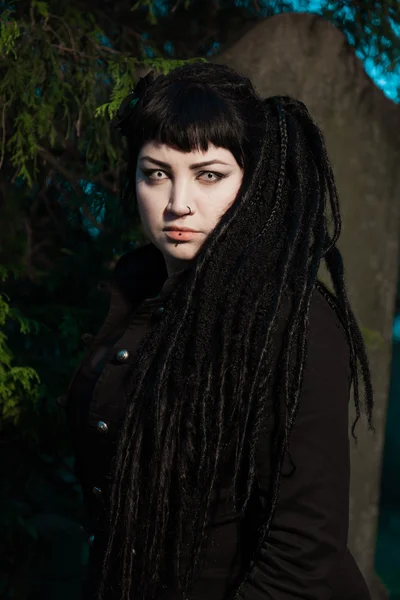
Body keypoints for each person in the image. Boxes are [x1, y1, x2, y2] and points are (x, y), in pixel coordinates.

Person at [63, 62, 374, 600]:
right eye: (156, 173)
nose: (178, 202)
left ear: (253, 183)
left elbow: (301, 560)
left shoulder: (294, 325)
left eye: (208, 175)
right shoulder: (136, 299)